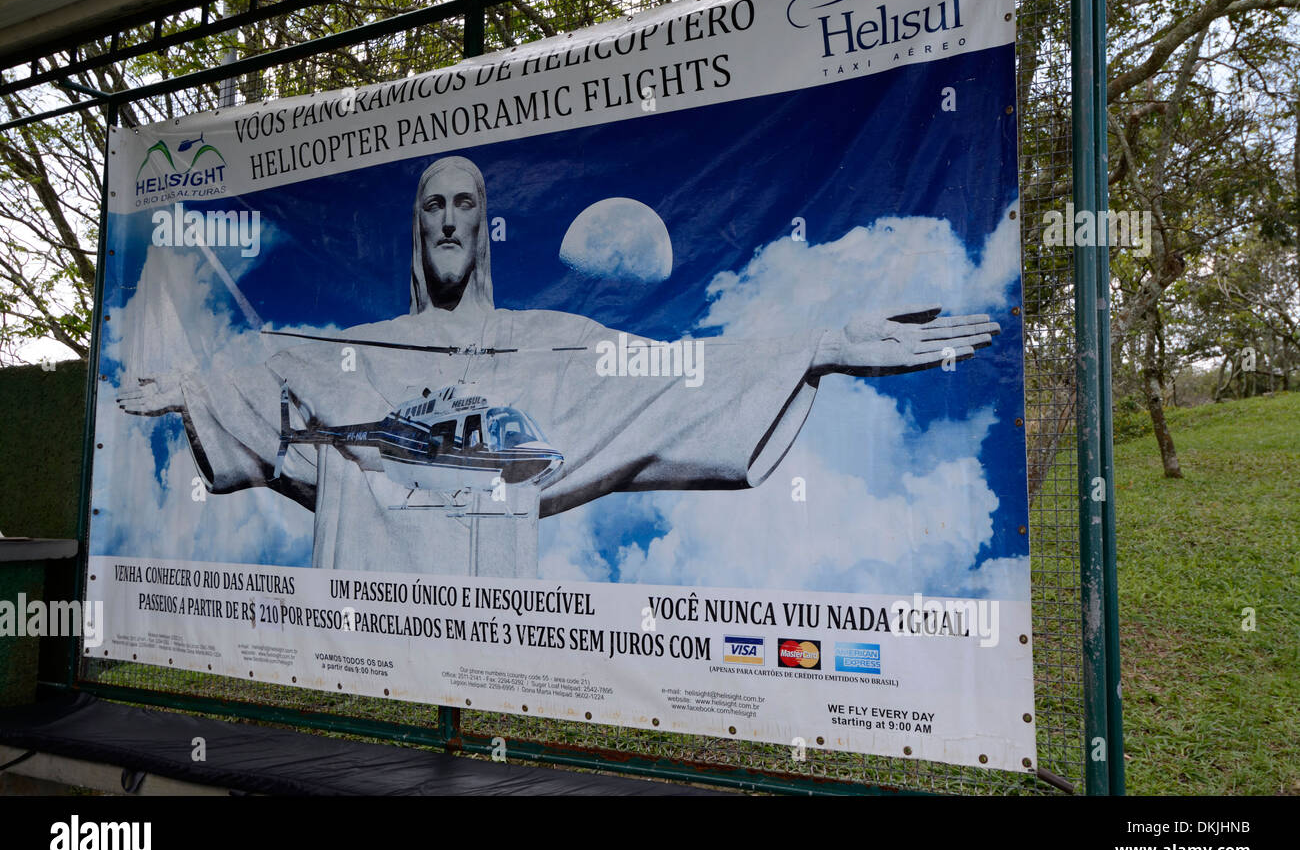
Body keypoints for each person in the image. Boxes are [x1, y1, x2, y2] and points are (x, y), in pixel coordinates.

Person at [118, 155, 999, 576]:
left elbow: (671, 375)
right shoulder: (356, 356)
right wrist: (191, 392)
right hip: (365, 636)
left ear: (483, 225)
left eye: (467, 204)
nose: (451, 221)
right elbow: (273, 382)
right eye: (435, 207)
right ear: (417, 228)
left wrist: (816, 348)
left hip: (490, 637)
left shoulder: (549, 345)